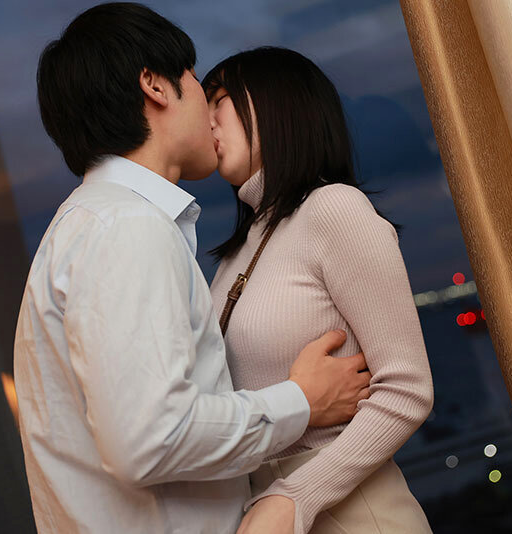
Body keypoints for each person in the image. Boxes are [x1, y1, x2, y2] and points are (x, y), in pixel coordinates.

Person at [13, 4, 372, 533]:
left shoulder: (89, 226)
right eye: (197, 80)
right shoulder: (126, 227)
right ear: (156, 86)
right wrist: (302, 401)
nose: (209, 107)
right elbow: (151, 439)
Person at [204, 47, 435, 534]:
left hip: (350, 511)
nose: (207, 120)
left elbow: (408, 389)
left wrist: (295, 496)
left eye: (219, 100)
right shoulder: (236, 252)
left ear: (276, 103)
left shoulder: (334, 208)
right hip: (266, 508)